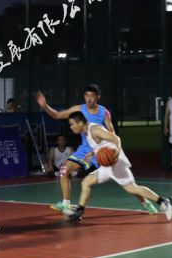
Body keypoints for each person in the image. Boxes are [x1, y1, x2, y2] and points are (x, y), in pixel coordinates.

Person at [36, 84, 158, 215]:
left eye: (92, 96)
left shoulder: (103, 112)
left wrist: (115, 149)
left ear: (98, 97)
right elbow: (57, 115)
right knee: (64, 170)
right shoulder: (79, 109)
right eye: (86, 96)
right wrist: (45, 106)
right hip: (84, 150)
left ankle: (146, 202)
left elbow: (112, 132)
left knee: (126, 183)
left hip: (100, 150)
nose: (89, 99)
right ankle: (66, 204)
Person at [65, 111, 172, 222]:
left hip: (115, 163)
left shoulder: (94, 130)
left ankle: (163, 202)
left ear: (80, 123)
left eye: (72, 124)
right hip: (107, 165)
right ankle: (79, 211)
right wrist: (92, 153)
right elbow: (101, 145)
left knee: (131, 188)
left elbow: (116, 139)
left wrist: (117, 150)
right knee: (86, 182)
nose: (71, 127)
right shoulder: (86, 132)